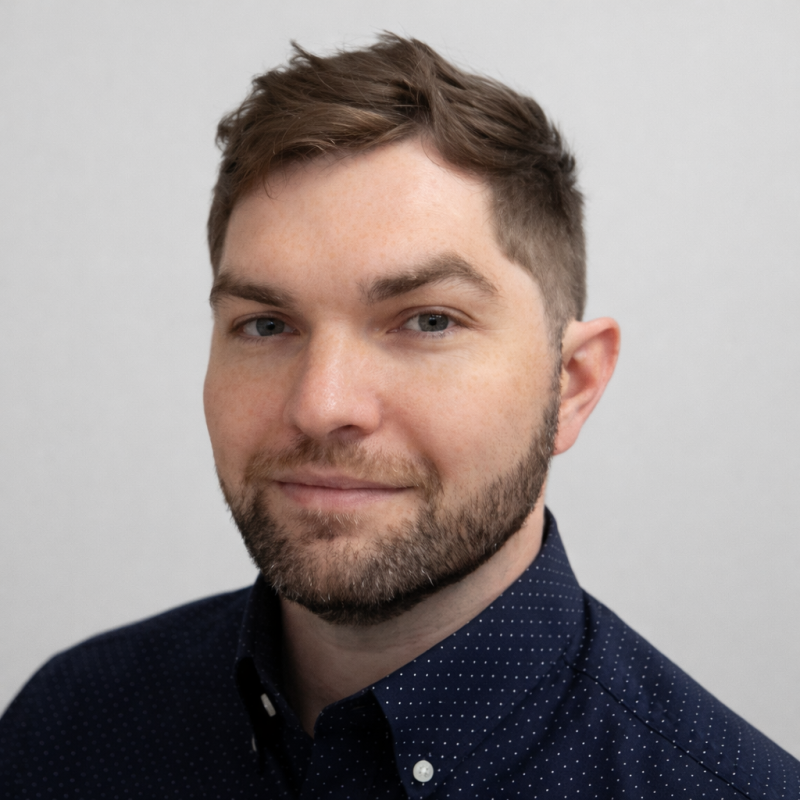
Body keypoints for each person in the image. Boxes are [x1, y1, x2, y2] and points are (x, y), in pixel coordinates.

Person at [1, 33, 797, 799]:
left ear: (574, 385)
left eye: (428, 321)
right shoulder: (64, 727)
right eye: (266, 325)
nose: (321, 406)